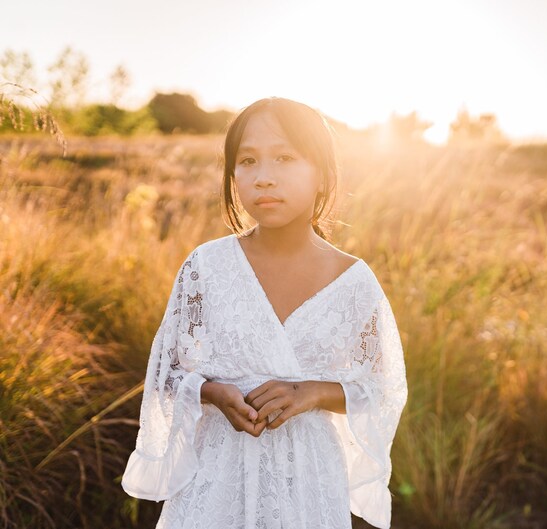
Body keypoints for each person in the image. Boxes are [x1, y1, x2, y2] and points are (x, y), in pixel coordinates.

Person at [121, 97, 408, 529]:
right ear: (232, 175)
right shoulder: (205, 268)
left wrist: (312, 392)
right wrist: (213, 393)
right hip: (215, 481)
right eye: (248, 161)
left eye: (285, 157)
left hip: (309, 487)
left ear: (322, 174)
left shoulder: (354, 281)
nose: (265, 178)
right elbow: (167, 373)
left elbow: (382, 388)